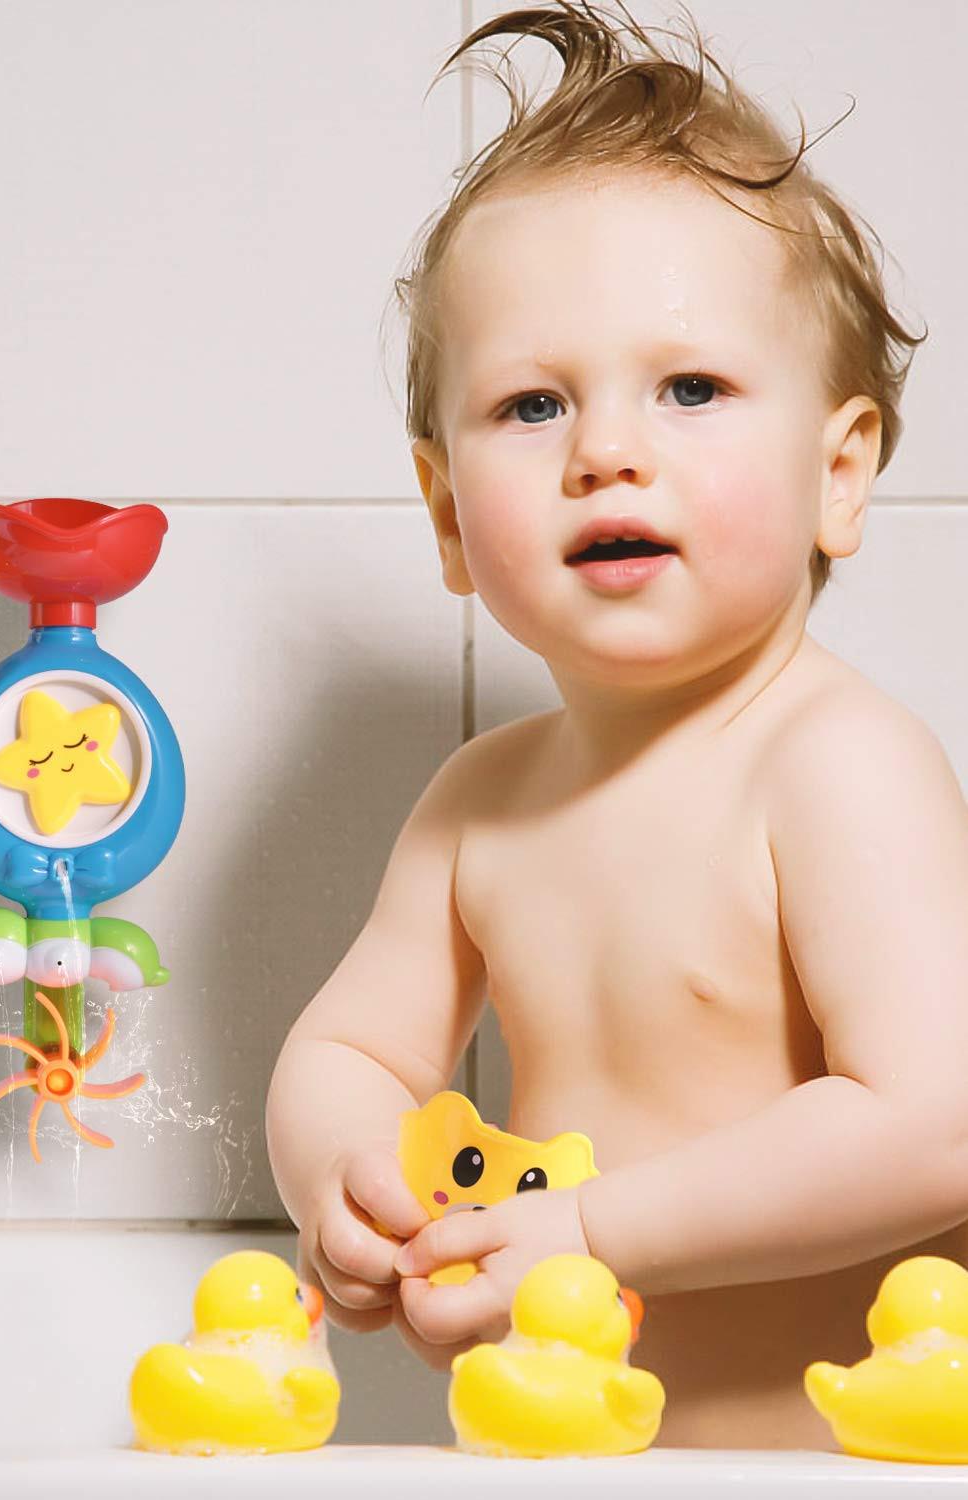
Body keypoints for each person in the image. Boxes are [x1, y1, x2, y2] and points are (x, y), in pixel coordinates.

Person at [266, 1, 968, 1447]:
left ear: (842, 472)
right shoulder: (479, 803)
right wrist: (336, 1166)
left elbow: (935, 1120)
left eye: (692, 388)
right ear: (450, 518)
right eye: (532, 405)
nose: (606, 451)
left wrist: (592, 1231)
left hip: (846, 1465)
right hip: (574, 1454)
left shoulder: (832, 768)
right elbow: (356, 1053)